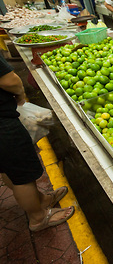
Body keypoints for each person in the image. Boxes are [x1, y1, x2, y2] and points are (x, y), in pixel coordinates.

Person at [0, 54, 75, 232]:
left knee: (7, 166)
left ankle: (40, 200)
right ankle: (38, 218)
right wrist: (20, 95)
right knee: (22, 175)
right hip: (3, 123)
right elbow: (10, 80)